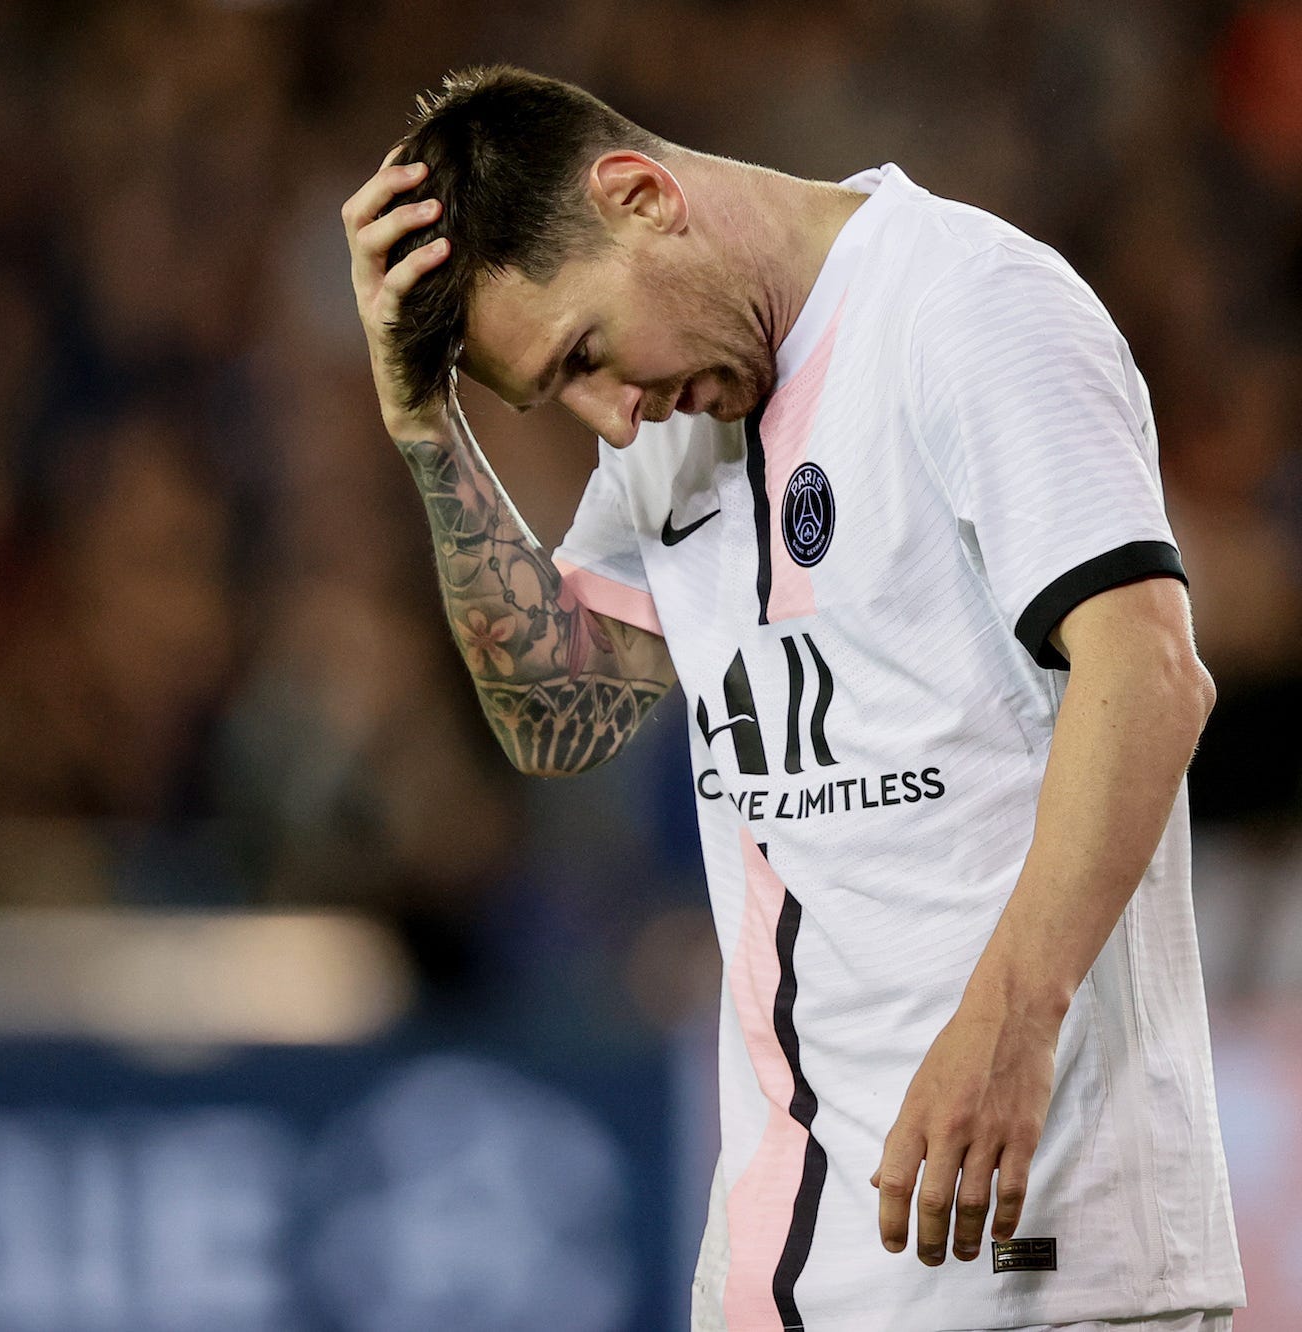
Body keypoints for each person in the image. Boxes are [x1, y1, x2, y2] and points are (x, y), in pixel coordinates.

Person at [341, 66, 1245, 1332]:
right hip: (780, 1258)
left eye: (587, 356)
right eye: (564, 395)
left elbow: (1149, 674)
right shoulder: (671, 417)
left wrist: (1011, 1024)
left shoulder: (968, 307)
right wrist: (427, 431)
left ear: (641, 196)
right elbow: (558, 717)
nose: (611, 420)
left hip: (1039, 1247)